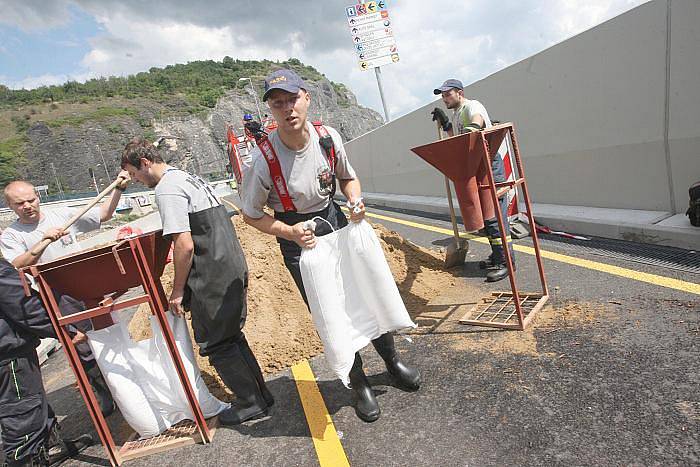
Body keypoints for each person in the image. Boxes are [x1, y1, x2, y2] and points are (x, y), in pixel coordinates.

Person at [240, 69, 421, 423]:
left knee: (366, 290)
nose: (288, 108)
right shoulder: (263, 159)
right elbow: (250, 216)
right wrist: (288, 232)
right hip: (298, 238)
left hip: (336, 221)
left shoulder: (327, 137)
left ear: (306, 98)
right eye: (279, 103)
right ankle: (359, 384)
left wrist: (355, 201)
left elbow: (347, 178)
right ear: (271, 112)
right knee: (332, 311)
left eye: (292, 99)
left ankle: (391, 361)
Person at [120, 138, 272, 426]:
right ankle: (261, 397)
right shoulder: (188, 178)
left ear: (144, 163)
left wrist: (177, 290)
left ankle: (250, 403)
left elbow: (184, 245)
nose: (137, 180)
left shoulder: (166, 189)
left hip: (211, 272)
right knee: (232, 337)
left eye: (135, 173)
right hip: (229, 264)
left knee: (216, 343)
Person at [0, 177, 131, 416]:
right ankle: (103, 392)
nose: (28, 205)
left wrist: (120, 188)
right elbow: (16, 266)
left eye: (31, 199)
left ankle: (127, 383)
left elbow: (104, 215)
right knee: (81, 345)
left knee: (109, 333)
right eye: (20, 203)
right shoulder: (11, 236)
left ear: (38, 197)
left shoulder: (60, 214)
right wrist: (44, 241)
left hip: (86, 285)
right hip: (55, 295)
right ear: (11, 206)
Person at [0, 258, 94, 466]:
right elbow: (25, 306)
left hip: (8, 352)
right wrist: (65, 330)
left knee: (32, 401)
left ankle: (51, 447)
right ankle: (24, 460)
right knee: (22, 411)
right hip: (8, 356)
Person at [434, 79, 515, 282]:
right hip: (474, 167)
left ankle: (506, 262)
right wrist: (446, 124)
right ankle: (497, 255)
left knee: (494, 217)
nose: (444, 99)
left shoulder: (472, 106)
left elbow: (477, 121)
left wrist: (472, 129)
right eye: (442, 96)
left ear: (459, 92)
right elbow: (457, 142)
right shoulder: (457, 113)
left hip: (488, 164)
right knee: (486, 221)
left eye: (447, 94)